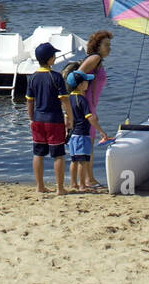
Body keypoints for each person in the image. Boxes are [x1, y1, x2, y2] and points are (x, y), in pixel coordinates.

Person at [25, 42, 73, 196]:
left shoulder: (32, 77)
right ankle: (60, 188)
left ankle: (40, 186)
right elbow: (64, 100)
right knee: (58, 154)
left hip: (38, 119)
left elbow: (29, 101)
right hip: (54, 120)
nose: (55, 57)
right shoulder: (56, 77)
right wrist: (70, 117)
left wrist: (31, 119)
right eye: (54, 55)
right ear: (50, 59)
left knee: (38, 153)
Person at [76, 30, 112, 188]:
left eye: (109, 45)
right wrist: (81, 94)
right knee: (88, 143)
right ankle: (87, 180)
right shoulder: (95, 58)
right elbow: (76, 76)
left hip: (91, 105)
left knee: (89, 143)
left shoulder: (98, 61)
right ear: (97, 46)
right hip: (87, 105)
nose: (109, 48)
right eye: (106, 45)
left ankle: (89, 178)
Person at [66, 67, 110, 191]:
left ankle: (73, 183)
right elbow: (90, 117)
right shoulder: (82, 100)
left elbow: (67, 117)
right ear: (80, 85)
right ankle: (82, 185)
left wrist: (67, 130)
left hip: (73, 135)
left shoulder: (69, 99)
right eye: (86, 81)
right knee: (83, 161)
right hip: (82, 134)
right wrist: (100, 131)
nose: (88, 83)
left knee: (74, 160)